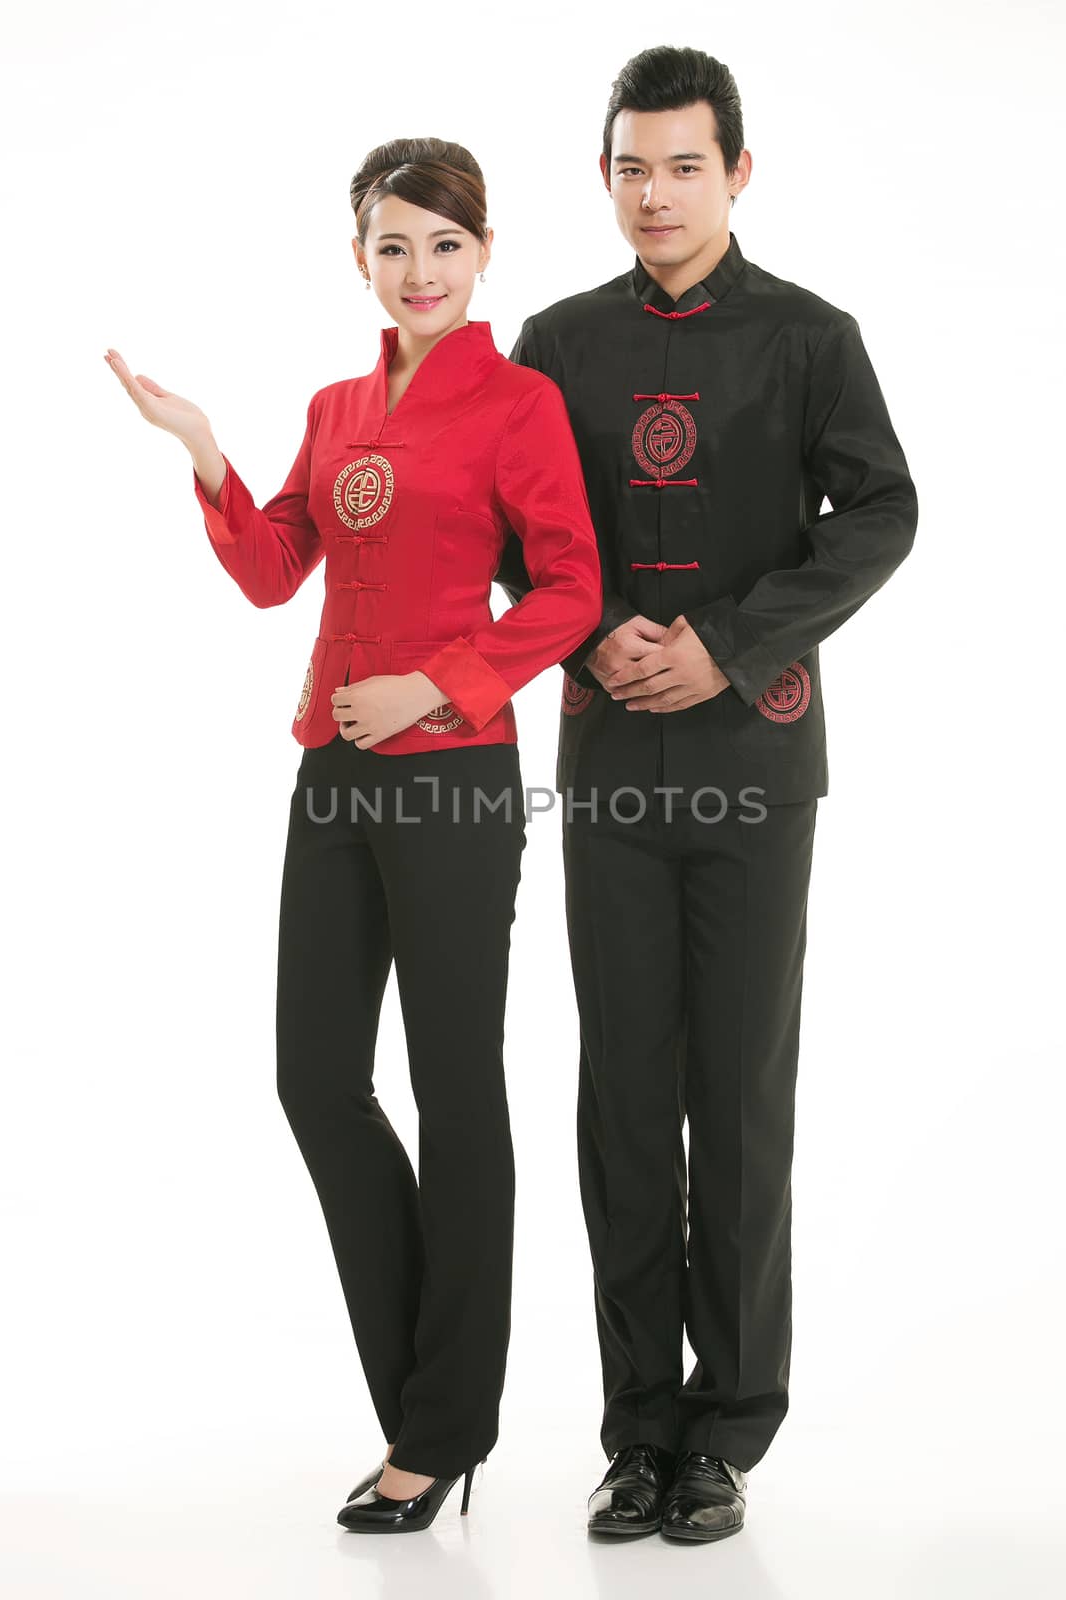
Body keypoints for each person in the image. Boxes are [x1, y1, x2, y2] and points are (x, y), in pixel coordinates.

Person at [104, 136, 602, 1535]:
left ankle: (439, 1430)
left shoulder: (520, 405)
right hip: (332, 771)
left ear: (484, 255)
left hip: (453, 780)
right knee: (315, 1077)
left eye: (446, 245)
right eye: (395, 246)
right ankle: (425, 1406)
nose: (421, 270)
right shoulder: (330, 408)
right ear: (361, 260)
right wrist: (204, 450)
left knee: (454, 1091)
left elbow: (569, 588)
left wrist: (441, 682)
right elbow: (273, 572)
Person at [495, 46, 918, 1543]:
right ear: (602, 177)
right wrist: (595, 622)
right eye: (631, 166)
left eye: (684, 164)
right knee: (623, 1098)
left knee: (737, 1099)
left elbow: (882, 507)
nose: (656, 192)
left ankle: (727, 1430)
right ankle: (636, 1429)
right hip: (609, 761)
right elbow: (504, 518)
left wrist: (732, 647)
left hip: (756, 765)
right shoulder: (551, 344)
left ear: (740, 171)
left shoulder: (812, 338)